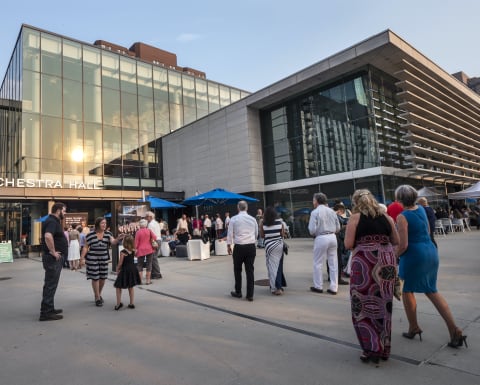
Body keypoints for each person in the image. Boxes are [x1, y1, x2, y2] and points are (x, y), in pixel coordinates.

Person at [395, 185, 467, 349]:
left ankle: (414, 327)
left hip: (414, 255)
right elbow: (427, 230)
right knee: (430, 290)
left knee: (408, 290)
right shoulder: (421, 209)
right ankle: (453, 329)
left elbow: (404, 244)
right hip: (430, 250)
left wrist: (393, 255)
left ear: (399, 200)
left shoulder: (402, 216)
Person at [344, 189, 399, 363]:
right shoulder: (387, 218)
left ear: (355, 202)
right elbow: (396, 241)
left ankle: (371, 349)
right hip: (387, 261)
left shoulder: (355, 218)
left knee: (361, 304)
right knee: (385, 304)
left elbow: (347, 244)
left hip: (365, 263)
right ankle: (384, 348)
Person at [81, 217, 124, 307]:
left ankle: (98, 294)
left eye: (105, 223)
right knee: (95, 278)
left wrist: (118, 238)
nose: (104, 225)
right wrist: (82, 258)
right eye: (102, 223)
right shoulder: (90, 234)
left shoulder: (108, 234)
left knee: (103, 278)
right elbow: (85, 247)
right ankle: (97, 297)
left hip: (104, 258)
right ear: (97, 224)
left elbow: (113, 242)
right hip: (92, 258)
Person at [39, 202, 68, 321]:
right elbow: (47, 236)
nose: (65, 213)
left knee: (51, 285)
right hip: (52, 259)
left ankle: (49, 308)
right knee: (50, 285)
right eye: (64, 211)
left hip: (52, 259)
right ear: (58, 210)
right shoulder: (52, 221)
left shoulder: (53, 221)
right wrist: (53, 252)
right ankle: (46, 313)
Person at [308, 193, 340, 294]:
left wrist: (316, 231)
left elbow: (312, 230)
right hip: (332, 236)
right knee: (333, 263)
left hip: (321, 237)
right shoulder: (332, 211)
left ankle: (318, 286)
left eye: (313, 200)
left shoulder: (315, 212)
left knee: (318, 262)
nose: (313, 202)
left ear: (316, 201)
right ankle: (334, 287)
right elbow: (338, 227)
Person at [227, 200, 258, 302]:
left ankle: (238, 291)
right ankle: (250, 295)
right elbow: (256, 234)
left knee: (237, 270)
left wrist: (228, 245)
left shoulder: (234, 219)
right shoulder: (253, 219)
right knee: (250, 270)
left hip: (239, 246)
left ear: (238, 208)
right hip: (250, 246)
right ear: (247, 208)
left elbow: (230, 234)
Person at [260, 206, 286, 295]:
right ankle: (279, 286)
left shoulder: (263, 223)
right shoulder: (280, 222)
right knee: (279, 266)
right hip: (279, 245)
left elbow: (262, 236)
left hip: (269, 247)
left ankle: (275, 287)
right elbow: (282, 234)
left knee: (271, 267)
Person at [113, 235, 141, 310]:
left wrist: (117, 269)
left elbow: (120, 263)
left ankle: (118, 304)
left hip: (125, 270)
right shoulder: (134, 250)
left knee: (118, 286)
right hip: (132, 269)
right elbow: (136, 255)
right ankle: (131, 303)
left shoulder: (123, 252)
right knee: (130, 286)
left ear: (124, 242)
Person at [135, 219, 158, 285]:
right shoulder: (149, 230)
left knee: (140, 265)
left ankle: (140, 281)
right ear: (146, 224)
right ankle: (148, 281)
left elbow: (136, 243)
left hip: (141, 250)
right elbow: (155, 237)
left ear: (140, 224)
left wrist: (135, 249)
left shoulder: (138, 232)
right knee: (149, 264)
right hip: (149, 249)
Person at [145, 211, 162, 279]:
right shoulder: (156, 223)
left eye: (147, 216)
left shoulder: (150, 225)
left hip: (154, 241)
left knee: (153, 258)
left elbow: (150, 235)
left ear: (150, 217)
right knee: (154, 257)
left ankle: (157, 273)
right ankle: (155, 273)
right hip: (159, 240)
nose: (146, 218)